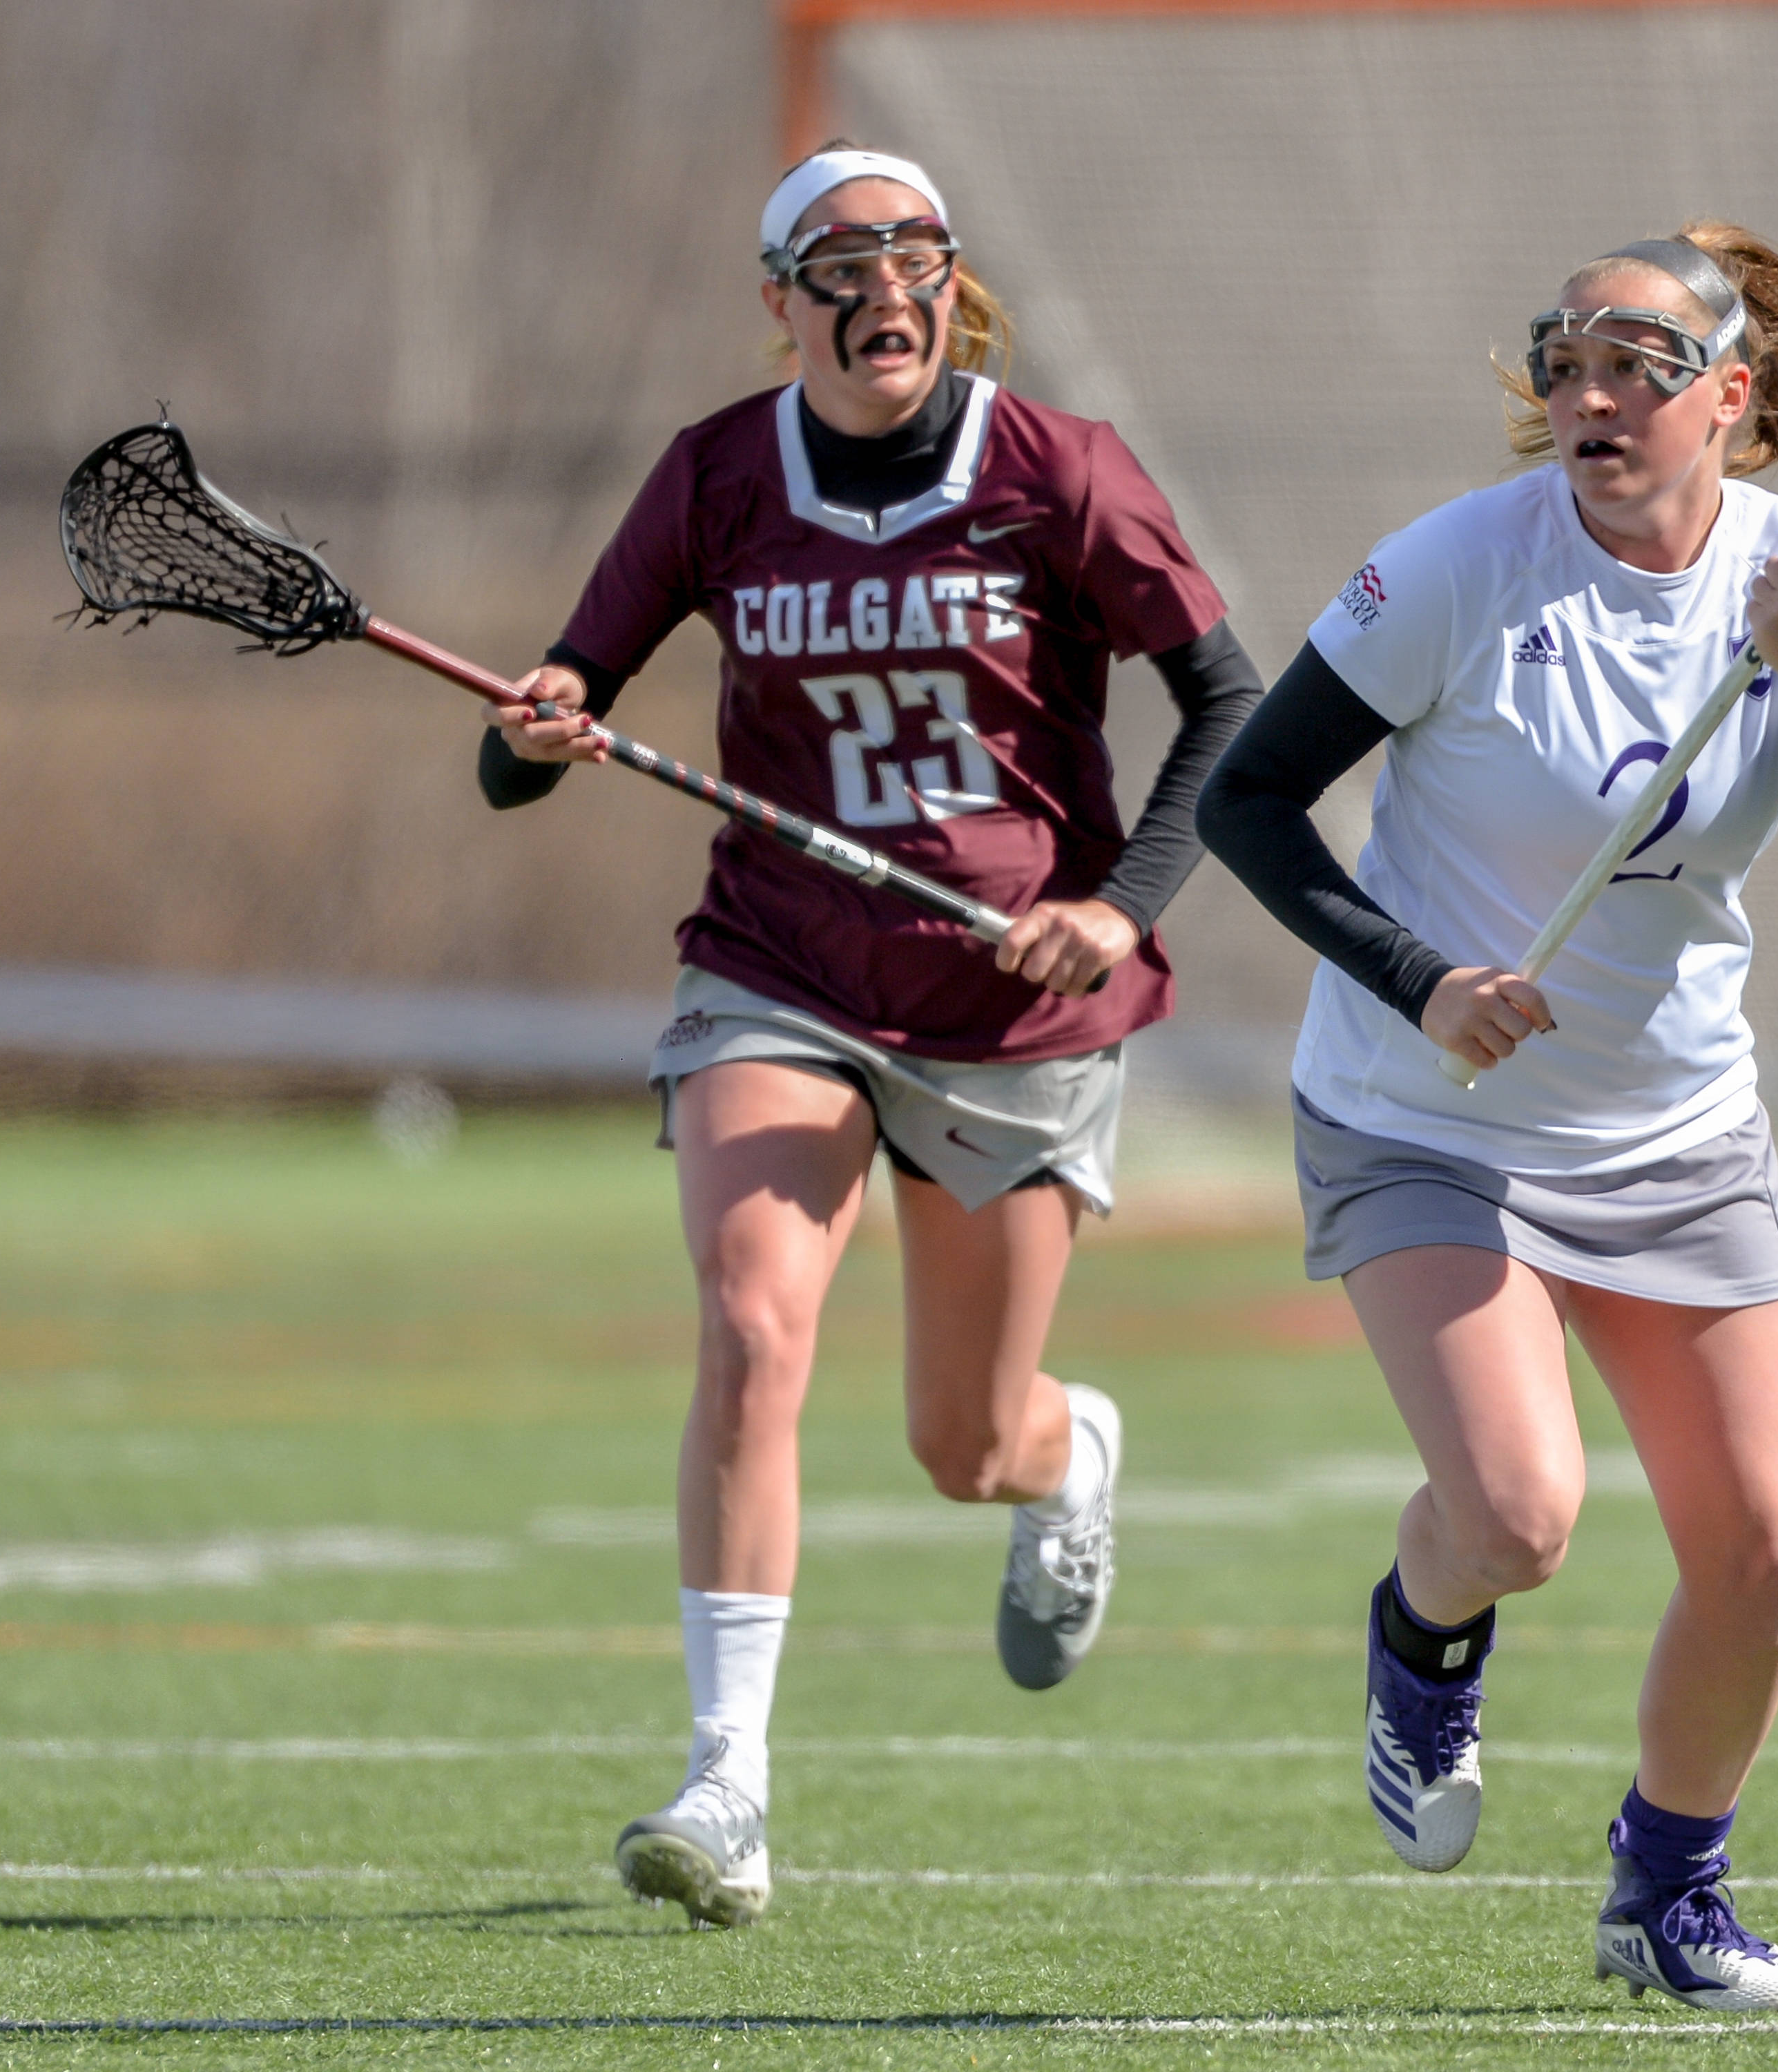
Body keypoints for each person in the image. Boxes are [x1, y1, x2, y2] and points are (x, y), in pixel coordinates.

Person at [484, 144, 1261, 1929]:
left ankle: (1068, 1456)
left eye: (916, 257)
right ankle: (728, 1782)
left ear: (949, 286)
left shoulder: (1059, 469)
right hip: (780, 970)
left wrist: (1119, 907)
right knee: (755, 1324)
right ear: (782, 303)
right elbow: (546, 718)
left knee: (964, 1447)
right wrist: (543, 723)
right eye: (841, 264)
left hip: (1012, 1003)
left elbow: (1231, 703)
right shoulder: (716, 476)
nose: (884, 290)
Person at [1199, 223, 1778, 2013]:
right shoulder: (1460, 568)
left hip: (1676, 1131)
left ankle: (1668, 1896)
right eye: (1566, 365)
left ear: (1731, 398)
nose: (1591, 400)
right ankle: (1421, 1631)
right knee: (1522, 1517)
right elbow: (1250, 802)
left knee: (1761, 1560)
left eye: (1637, 368)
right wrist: (1421, 981)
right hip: (1424, 1115)